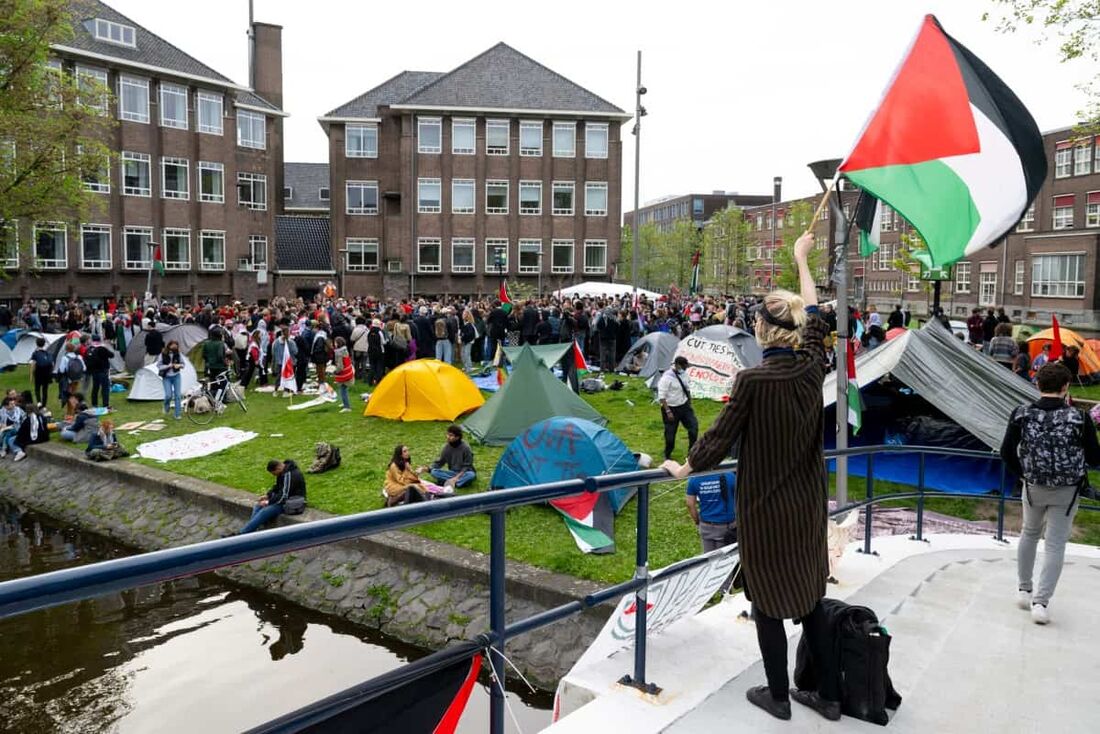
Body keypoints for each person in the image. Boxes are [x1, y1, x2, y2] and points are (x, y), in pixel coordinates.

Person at [662, 232, 839, 722]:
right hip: (807, 506)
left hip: (765, 510)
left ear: (762, 330)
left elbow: (718, 439)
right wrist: (803, 258)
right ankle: (827, 696)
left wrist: (683, 467)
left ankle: (778, 696)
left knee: (765, 601)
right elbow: (817, 312)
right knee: (810, 598)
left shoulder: (753, 380)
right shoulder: (810, 369)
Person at [1000, 363, 1100, 625]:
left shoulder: (1021, 414)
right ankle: (1041, 603)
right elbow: (1094, 457)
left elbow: (1006, 452)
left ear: (1037, 384)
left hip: (1033, 487)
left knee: (1029, 533)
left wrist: (1023, 473)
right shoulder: (1079, 417)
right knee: (1055, 544)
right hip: (1067, 491)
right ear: (1066, 387)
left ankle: (1024, 589)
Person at [239, 459, 306, 534]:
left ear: (278, 468)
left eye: (274, 473)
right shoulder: (283, 472)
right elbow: (277, 487)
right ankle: (251, 530)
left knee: (264, 511)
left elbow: (284, 496)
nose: (274, 475)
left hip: (291, 502)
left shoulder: (289, 475)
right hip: (283, 500)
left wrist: (268, 502)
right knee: (258, 506)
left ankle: (242, 534)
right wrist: (267, 495)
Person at [657, 356, 698, 461]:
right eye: (684, 367)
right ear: (678, 365)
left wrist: (689, 402)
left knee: (694, 428)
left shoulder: (684, 374)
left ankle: (692, 453)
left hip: (684, 406)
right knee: (670, 435)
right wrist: (668, 411)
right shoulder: (666, 378)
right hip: (671, 408)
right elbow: (661, 397)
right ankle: (667, 454)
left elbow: (687, 388)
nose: (685, 369)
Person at [685, 471, 737, 552]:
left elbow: (690, 504)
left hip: (706, 525)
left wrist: (697, 521)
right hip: (727, 526)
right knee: (726, 559)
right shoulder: (730, 475)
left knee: (708, 558)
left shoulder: (694, 479)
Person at [429, 425, 476, 489]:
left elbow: (467, 466)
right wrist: (428, 468)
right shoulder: (446, 447)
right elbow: (440, 462)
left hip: (464, 473)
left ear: (457, 437)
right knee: (434, 472)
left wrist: (456, 478)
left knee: (471, 475)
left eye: (451, 435)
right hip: (452, 473)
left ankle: (449, 482)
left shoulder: (466, 448)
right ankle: (457, 483)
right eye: (447, 435)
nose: (448, 437)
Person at [202, 327, 232, 404]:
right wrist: (225, 362)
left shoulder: (206, 343)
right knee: (223, 383)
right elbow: (220, 356)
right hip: (220, 366)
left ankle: (212, 399)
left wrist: (209, 361)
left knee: (213, 383)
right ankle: (222, 399)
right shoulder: (220, 343)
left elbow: (204, 355)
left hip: (210, 366)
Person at [159, 340, 184, 419]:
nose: (174, 348)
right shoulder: (163, 354)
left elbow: (183, 364)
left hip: (176, 376)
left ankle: (177, 414)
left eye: (175, 346)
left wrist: (179, 365)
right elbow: (159, 366)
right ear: (169, 346)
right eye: (172, 346)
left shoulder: (178, 354)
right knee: (168, 395)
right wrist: (168, 366)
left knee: (178, 395)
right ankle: (166, 407)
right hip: (166, 377)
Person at [331, 336, 355, 412]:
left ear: (338, 343)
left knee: (343, 390)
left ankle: (347, 407)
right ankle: (345, 402)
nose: (334, 344)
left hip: (344, 374)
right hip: (348, 373)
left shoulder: (339, 353)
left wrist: (335, 371)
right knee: (344, 389)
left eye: (335, 342)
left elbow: (340, 367)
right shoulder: (344, 350)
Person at [30, 337, 53, 406]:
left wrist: (31, 375)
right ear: (44, 344)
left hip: (38, 373)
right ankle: (44, 404)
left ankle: (39, 403)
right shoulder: (48, 353)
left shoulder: (35, 353)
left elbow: (33, 365)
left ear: (36, 344)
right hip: (46, 374)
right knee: (45, 390)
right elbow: (52, 364)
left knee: (37, 388)